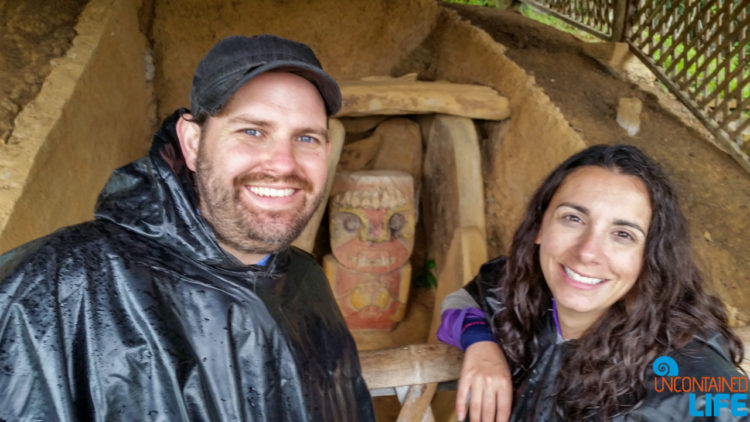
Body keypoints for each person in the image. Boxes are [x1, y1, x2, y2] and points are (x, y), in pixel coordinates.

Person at [0, 34, 375, 421]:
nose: (283, 164)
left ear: (326, 152)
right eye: (252, 131)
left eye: (306, 137)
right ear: (192, 142)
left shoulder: (305, 282)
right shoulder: (61, 286)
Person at [438, 144, 748, 421]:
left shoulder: (700, 382)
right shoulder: (524, 285)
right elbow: (463, 301)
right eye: (573, 218)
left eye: (623, 235)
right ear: (539, 227)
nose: (587, 252)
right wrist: (480, 344)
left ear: (651, 257)